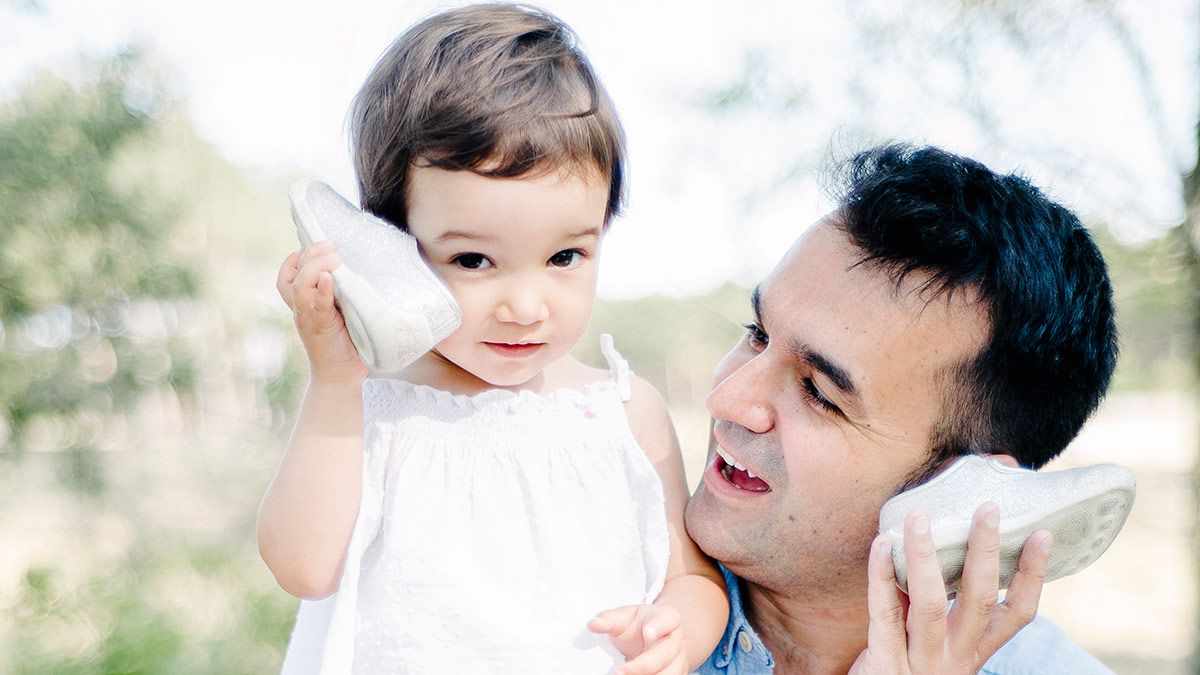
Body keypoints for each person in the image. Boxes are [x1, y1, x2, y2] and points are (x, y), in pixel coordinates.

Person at [258, 4, 728, 673]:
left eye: (565, 257)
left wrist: (677, 625)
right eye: (474, 261)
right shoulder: (373, 407)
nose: (525, 306)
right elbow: (303, 567)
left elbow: (692, 579)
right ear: (389, 245)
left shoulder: (624, 411)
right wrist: (335, 381)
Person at [686, 144, 1120, 674]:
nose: (725, 399)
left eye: (819, 392)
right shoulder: (594, 597)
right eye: (758, 334)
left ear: (967, 488)